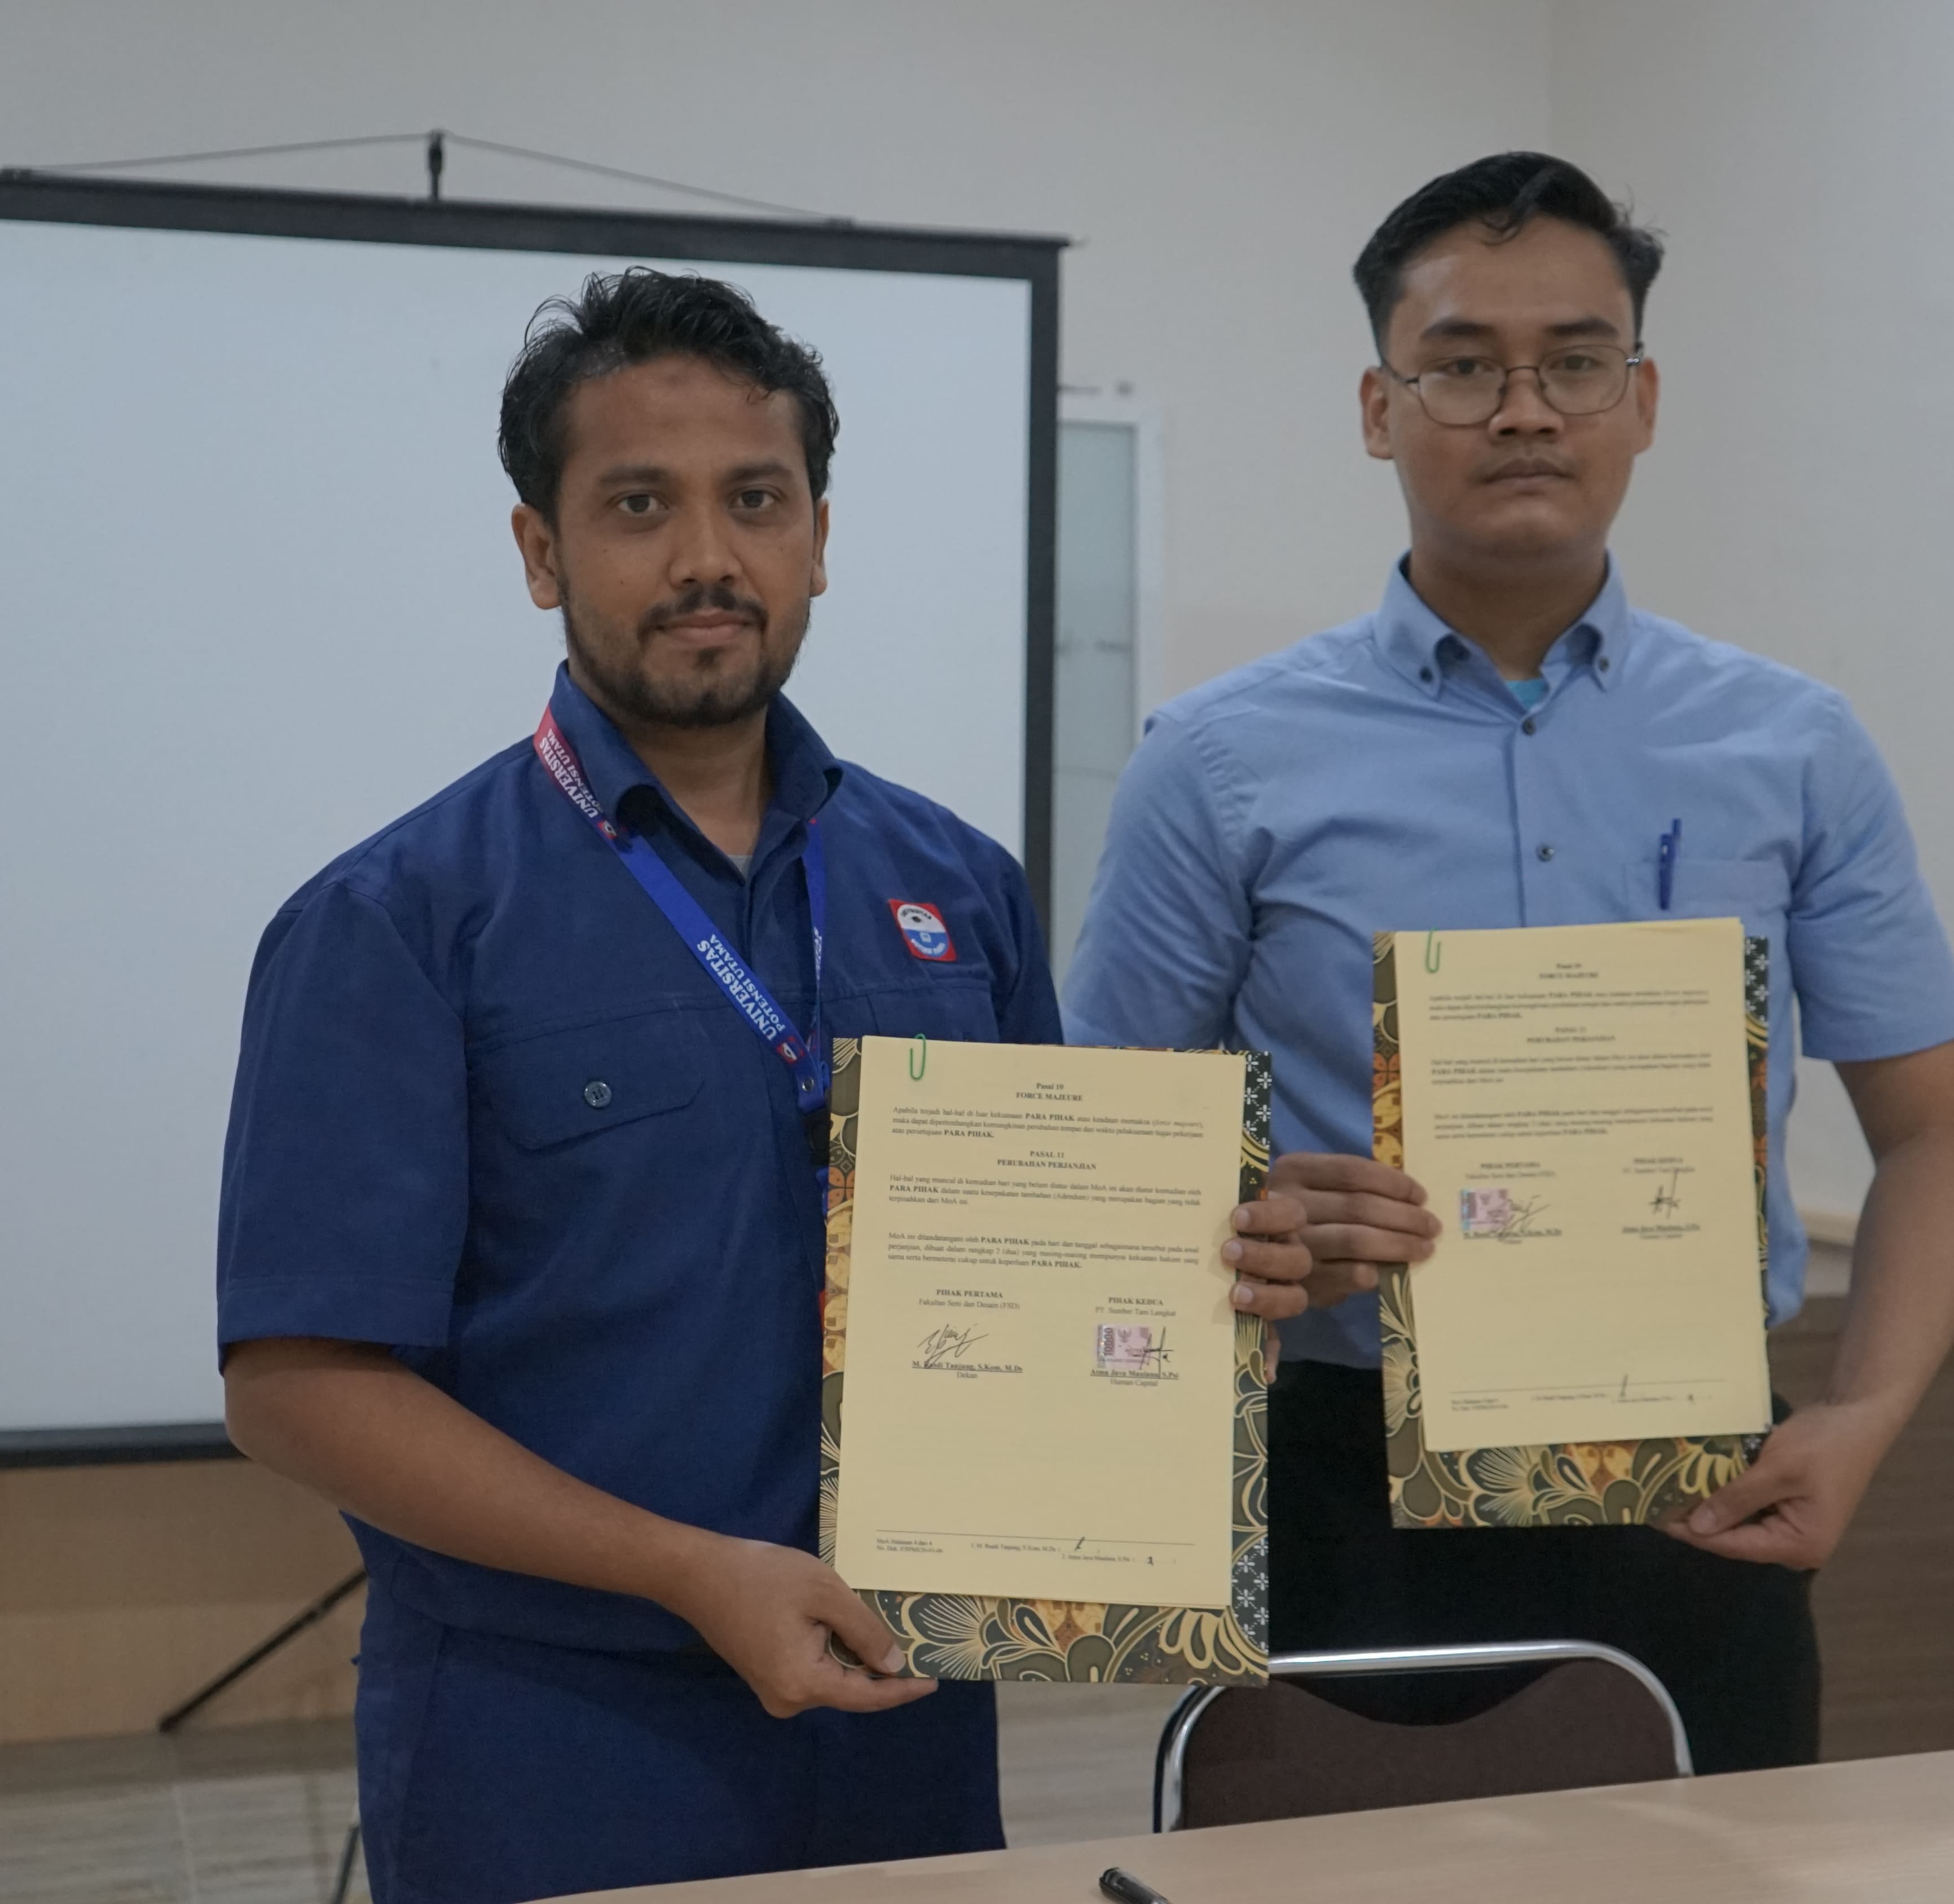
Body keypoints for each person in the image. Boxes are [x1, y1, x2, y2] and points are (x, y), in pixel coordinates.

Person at [213, 269, 1320, 1903]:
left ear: (817, 538)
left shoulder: (957, 883)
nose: (707, 558)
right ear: (540, 552)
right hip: (552, 1734)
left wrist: (1224, 1279)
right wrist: (686, 1573)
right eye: (638, 505)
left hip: (908, 1713)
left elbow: (1063, 1283)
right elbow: (297, 1385)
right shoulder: (397, 919)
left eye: (756, 500)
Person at [1063, 153, 1954, 1772]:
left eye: (1575, 362)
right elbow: (1098, 1170)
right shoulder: (1216, 761)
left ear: (1642, 400)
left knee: (1703, 1878)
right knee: (1347, 1880)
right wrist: (1259, 1216)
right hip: (1339, 1476)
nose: (1523, 411)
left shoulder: (1793, 749)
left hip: (1692, 1482)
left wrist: (1857, 1423)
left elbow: (1943, 1135)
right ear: (1380, 408)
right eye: (1463, 366)